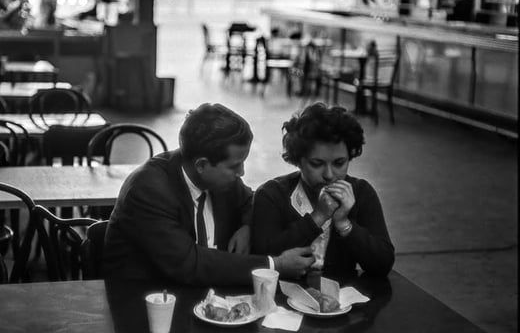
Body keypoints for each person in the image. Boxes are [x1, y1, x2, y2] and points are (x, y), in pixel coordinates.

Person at [102, 103, 316, 286]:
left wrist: (247, 226)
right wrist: (274, 265)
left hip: (199, 296)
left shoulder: (220, 179)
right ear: (202, 165)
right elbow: (189, 265)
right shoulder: (149, 191)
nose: (241, 173)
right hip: (142, 304)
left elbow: (251, 201)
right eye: (235, 166)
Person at [251, 102, 395, 277]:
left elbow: (383, 264)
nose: (329, 174)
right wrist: (317, 217)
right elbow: (263, 258)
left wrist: (344, 224)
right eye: (316, 164)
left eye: (339, 163)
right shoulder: (272, 195)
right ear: (298, 160)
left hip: (342, 299)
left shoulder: (362, 193)